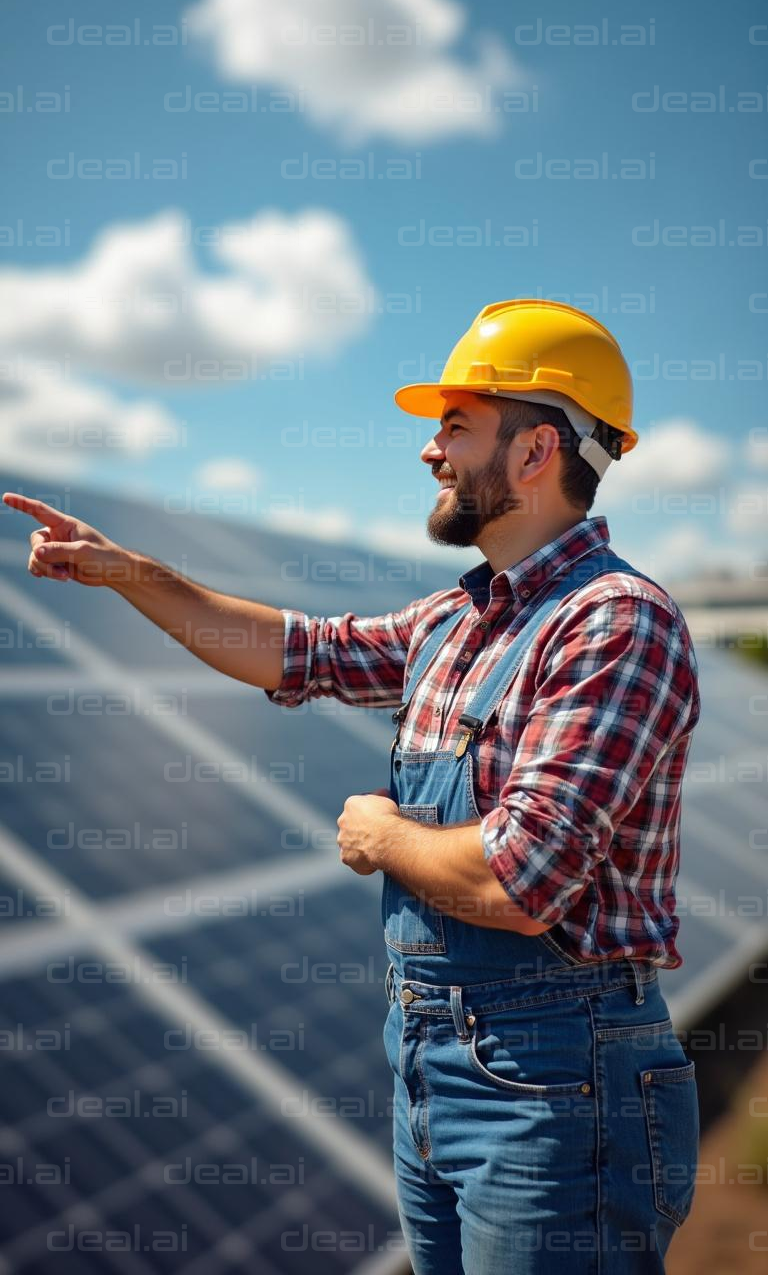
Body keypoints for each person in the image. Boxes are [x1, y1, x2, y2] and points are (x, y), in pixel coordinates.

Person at [4, 299, 701, 1273]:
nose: (430, 450)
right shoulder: (454, 624)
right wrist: (125, 573)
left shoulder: (615, 623)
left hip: (557, 1087)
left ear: (538, 451)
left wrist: (381, 838)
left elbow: (517, 882)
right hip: (427, 1069)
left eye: (455, 423)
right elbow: (297, 651)